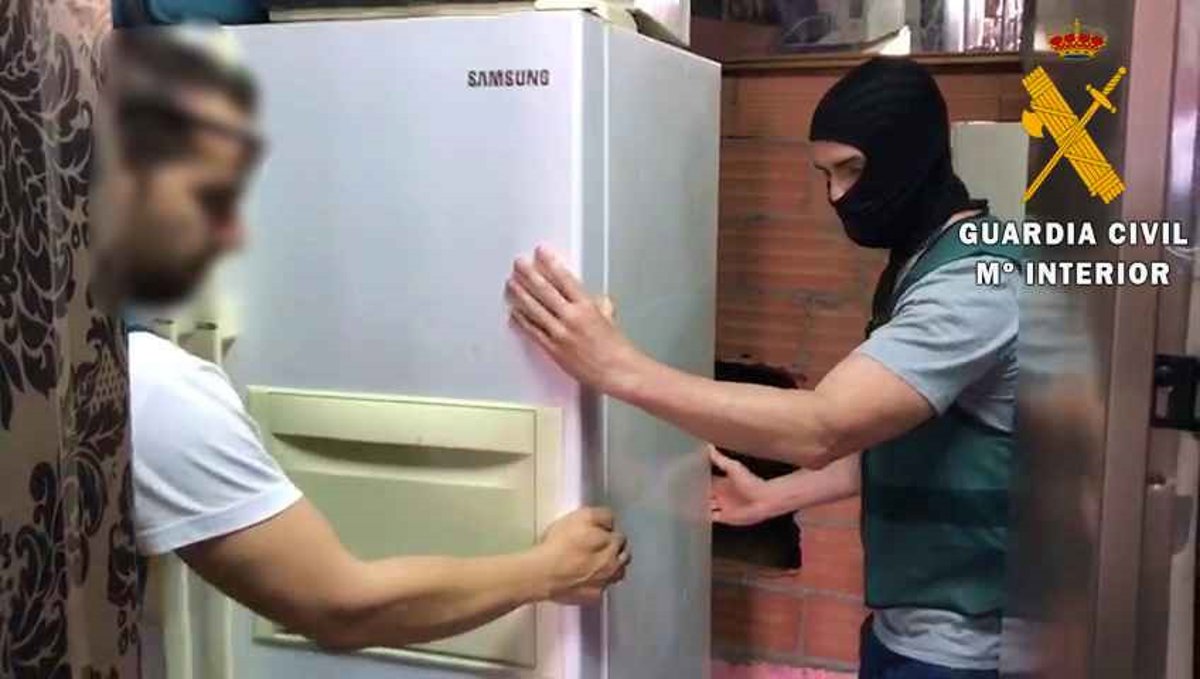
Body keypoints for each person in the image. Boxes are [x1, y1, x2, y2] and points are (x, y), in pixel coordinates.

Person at [91, 26, 629, 677]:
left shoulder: (66, 368)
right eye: (209, 198)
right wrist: (547, 569)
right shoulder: (147, 386)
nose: (234, 234)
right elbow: (341, 607)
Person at [504, 57, 1020, 678]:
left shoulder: (973, 284)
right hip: (906, 629)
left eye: (852, 170)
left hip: (962, 647)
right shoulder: (923, 261)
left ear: (911, 157)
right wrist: (776, 495)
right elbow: (910, 440)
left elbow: (824, 426)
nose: (837, 196)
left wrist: (617, 367)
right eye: (825, 174)